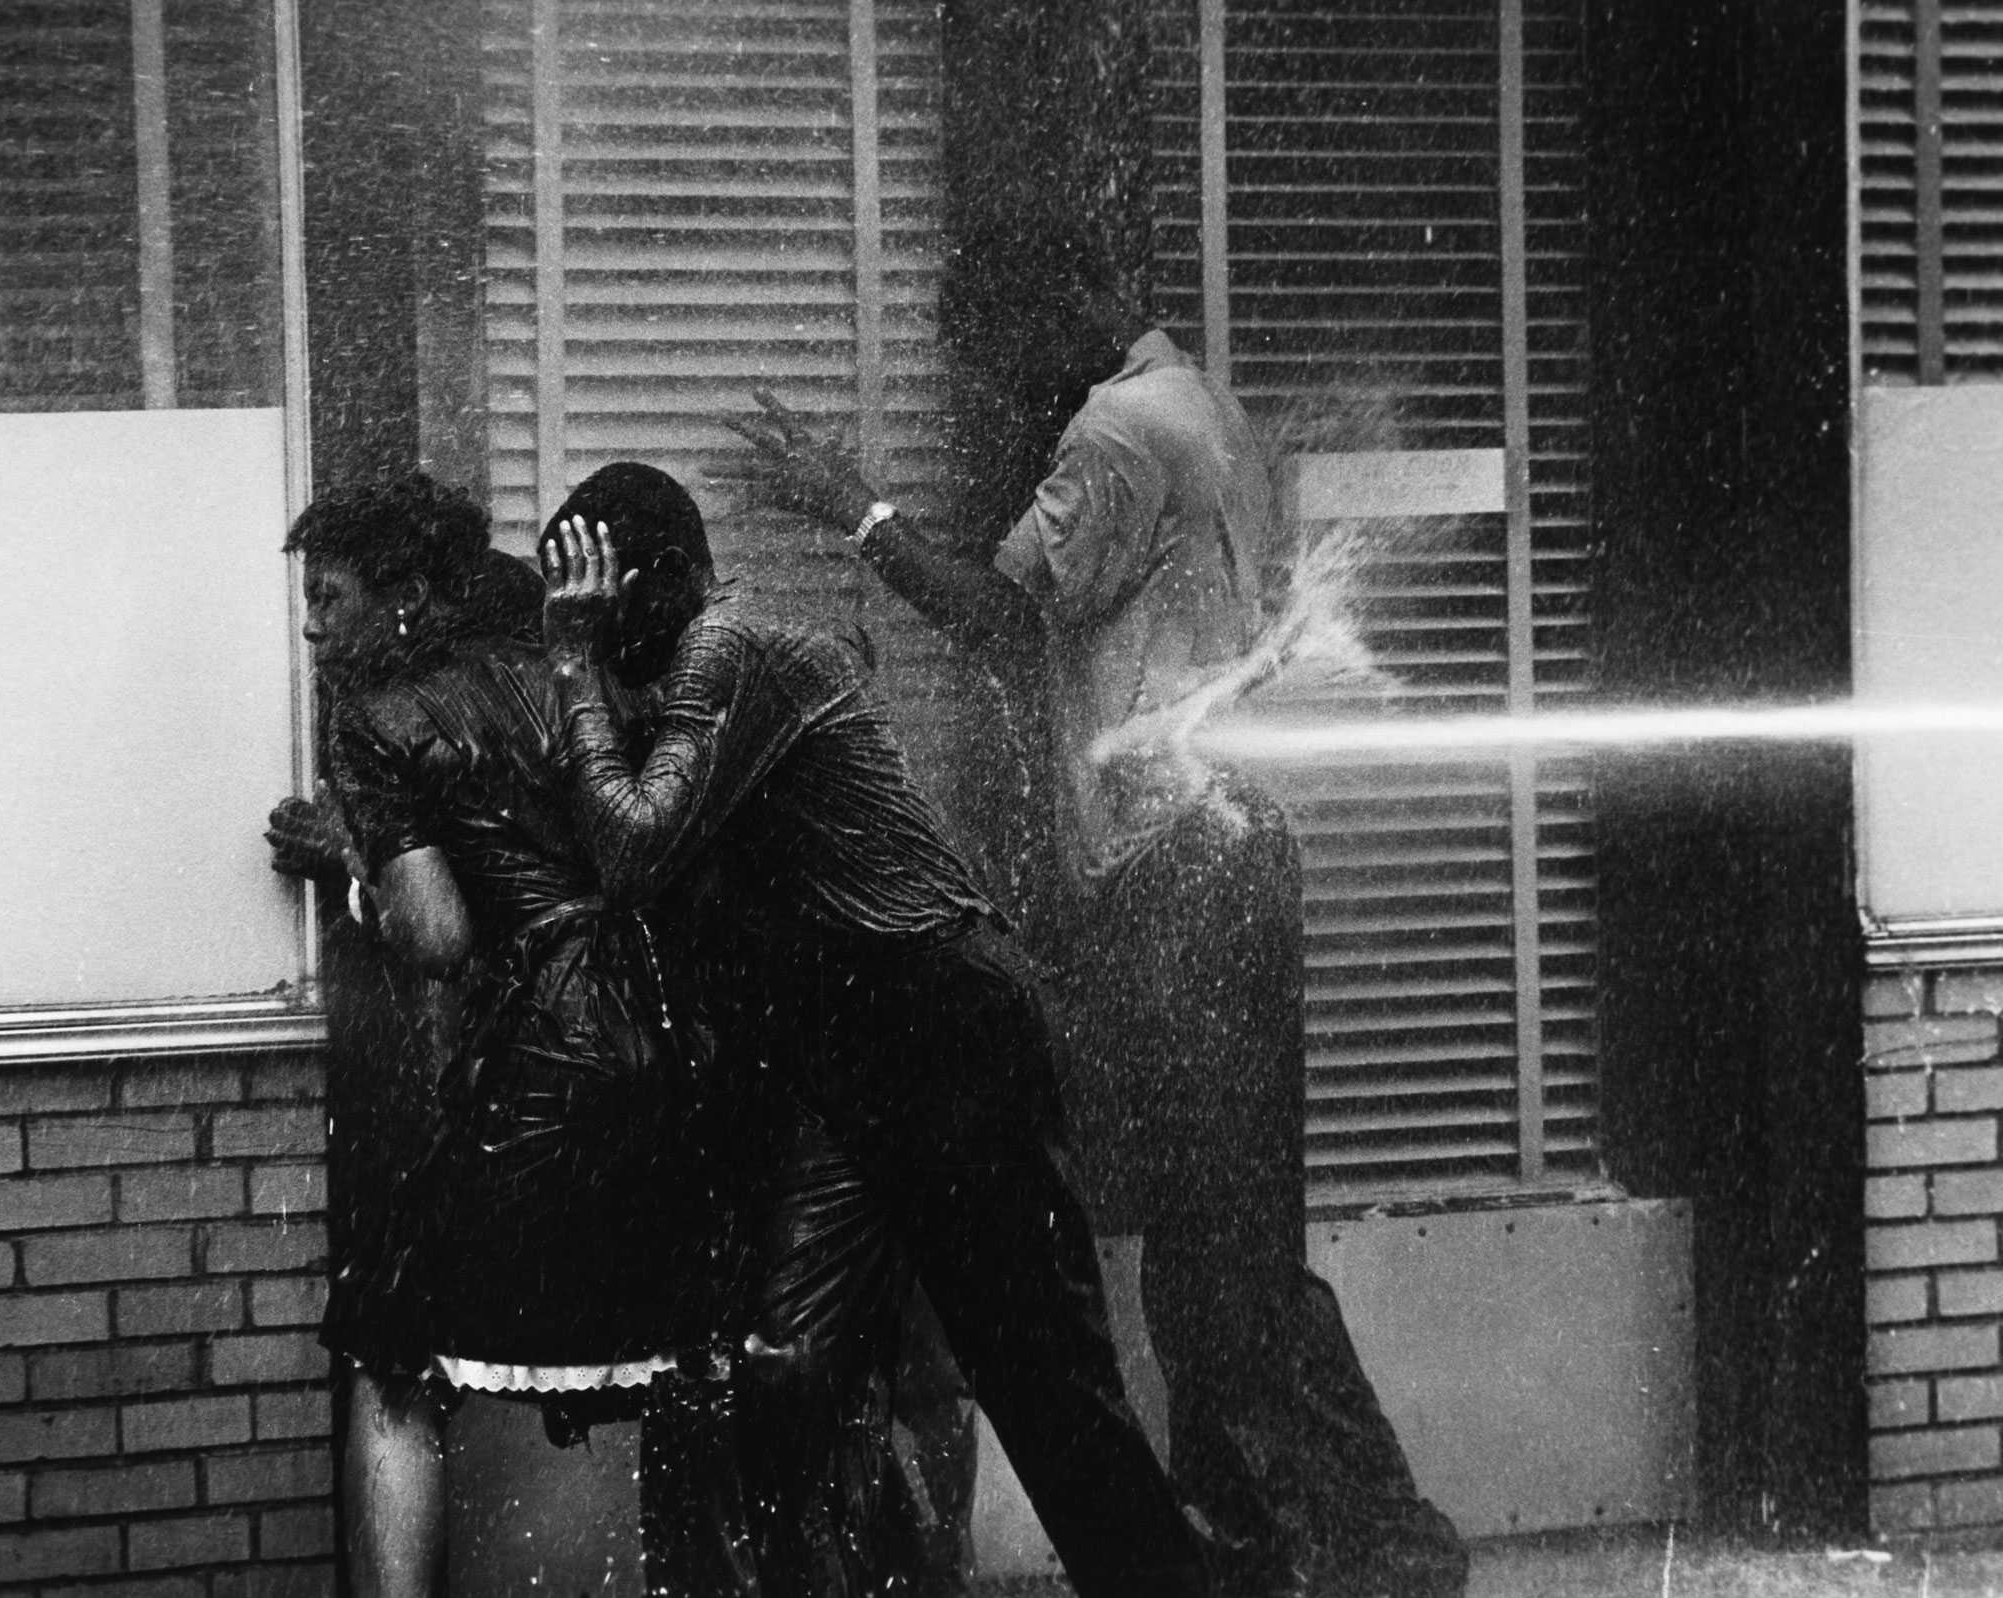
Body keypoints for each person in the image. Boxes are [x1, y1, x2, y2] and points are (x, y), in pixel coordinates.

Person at [720, 243, 1469, 1598]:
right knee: (1213, 1250)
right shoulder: (1196, 400)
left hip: (1180, 867)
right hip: (1214, 858)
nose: (992, 386)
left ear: (1062, 311)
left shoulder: (1114, 431)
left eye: (990, 349)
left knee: (1193, 1256)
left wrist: (852, 505)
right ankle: (1293, 1543)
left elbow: (998, 619)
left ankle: (1372, 1547)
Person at [538, 462, 1299, 1598]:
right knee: (786, 1368)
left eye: (598, 597)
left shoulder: (729, 647)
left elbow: (634, 850)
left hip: (947, 1027)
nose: (590, 628)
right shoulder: (689, 679)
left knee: (1044, 1386)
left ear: (656, 583)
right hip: (862, 1051)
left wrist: (570, 664)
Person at [279, 475, 765, 1597]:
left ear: (402, 597)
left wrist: (358, 876)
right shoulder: (582, 674)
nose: (311, 624)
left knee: (390, 1347)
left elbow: (441, 935)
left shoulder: (376, 720)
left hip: (546, 1060)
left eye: (329, 595)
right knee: (686, 1354)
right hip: (677, 1045)